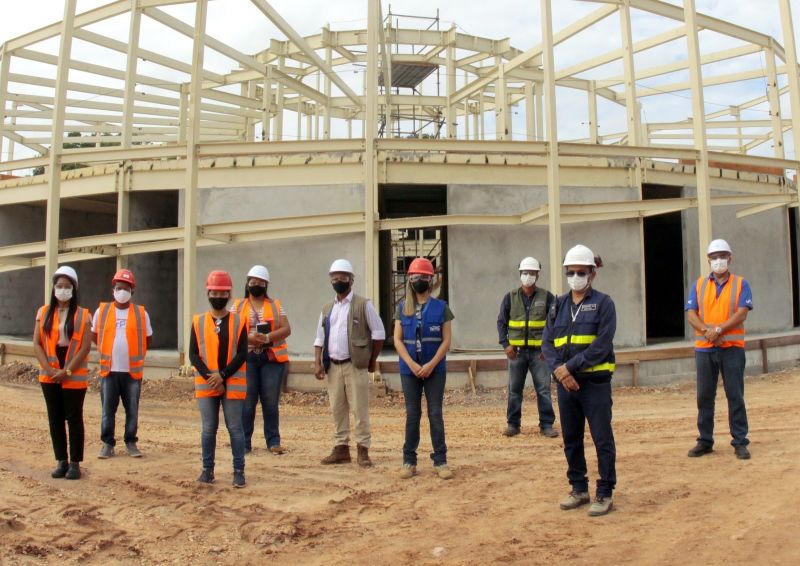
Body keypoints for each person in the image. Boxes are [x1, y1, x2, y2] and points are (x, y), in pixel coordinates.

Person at [542, 245, 617, 517]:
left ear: (592, 274)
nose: (575, 276)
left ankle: (605, 492)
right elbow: (547, 343)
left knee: (601, 438)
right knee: (571, 439)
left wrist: (568, 368)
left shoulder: (604, 304)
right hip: (566, 386)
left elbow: (601, 345)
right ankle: (579, 487)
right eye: (571, 272)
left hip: (594, 384)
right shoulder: (558, 305)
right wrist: (559, 372)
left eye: (581, 272)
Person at [685, 238, 753, 460]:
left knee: (735, 395)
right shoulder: (699, 285)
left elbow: (742, 312)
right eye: (714, 257)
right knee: (704, 396)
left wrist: (719, 330)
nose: (718, 261)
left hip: (731, 348)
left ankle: (740, 441)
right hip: (705, 349)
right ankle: (705, 441)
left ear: (730, 258)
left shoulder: (741, 284)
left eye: (722, 256)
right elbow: (691, 314)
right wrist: (708, 332)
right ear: (708, 260)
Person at [313, 259, 385, 467]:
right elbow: (319, 337)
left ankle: (363, 449)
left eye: (343, 278)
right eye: (334, 278)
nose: (338, 281)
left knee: (359, 409)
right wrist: (318, 362)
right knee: (337, 408)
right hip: (333, 366)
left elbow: (379, 333)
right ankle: (341, 448)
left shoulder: (363, 305)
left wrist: (372, 360)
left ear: (351, 280)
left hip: (355, 365)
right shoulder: (327, 308)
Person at [394, 258, 454, 480]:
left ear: (431, 280)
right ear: (409, 280)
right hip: (409, 371)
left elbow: (446, 341)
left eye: (423, 277)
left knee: (435, 413)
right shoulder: (402, 308)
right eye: (414, 277)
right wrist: (412, 364)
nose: (418, 280)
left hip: (434, 370)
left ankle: (441, 460)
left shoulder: (442, 308)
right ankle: (408, 460)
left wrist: (430, 365)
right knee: (412, 414)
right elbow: (397, 340)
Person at [189, 270, 248, 487]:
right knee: (208, 428)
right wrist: (210, 377)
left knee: (235, 428)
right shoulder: (198, 321)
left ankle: (239, 471)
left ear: (229, 295)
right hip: (207, 383)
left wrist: (222, 375)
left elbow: (242, 353)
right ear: (208, 293)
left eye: (222, 293)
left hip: (232, 382)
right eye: (214, 292)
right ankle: (207, 470)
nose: (218, 296)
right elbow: (193, 354)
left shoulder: (239, 322)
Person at [33, 266, 91, 480]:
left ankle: (75, 463)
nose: (63, 290)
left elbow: (85, 347)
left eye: (67, 287)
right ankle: (61, 461)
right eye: (59, 286)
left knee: (74, 418)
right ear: (53, 288)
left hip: (72, 373)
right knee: (55, 419)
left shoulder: (84, 314)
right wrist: (49, 370)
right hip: (49, 372)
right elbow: (37, 343)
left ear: (74, 289)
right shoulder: (43, 312)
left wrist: (67, 370)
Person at [93, 269, 153, 459]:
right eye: (119, 288)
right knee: (107, 410)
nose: (122, 291)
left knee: (132, 410)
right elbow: (96, 335)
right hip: (109, 370)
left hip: (132, 372)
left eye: (126, 288)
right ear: (113, 290)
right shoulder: (102, 311)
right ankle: (107, 443)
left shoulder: (141, 313)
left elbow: (148, 339)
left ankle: (131, 442)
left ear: (132, 291)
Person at [233, 265, 291, 455]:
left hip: (271, 358)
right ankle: (244, 442)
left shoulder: (275, 305)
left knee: (270, 401)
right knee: (247, 401)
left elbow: (286, 329)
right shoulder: (238, 306)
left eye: (260, 283)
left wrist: (267, 338)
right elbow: (231, 329)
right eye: (253, 282)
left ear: (266, 285)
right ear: (248, 283)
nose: (256, 285)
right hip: (247, 358)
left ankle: (273, 441)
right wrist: (248, 338)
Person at [497, 256, 558, 438]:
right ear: (520, 274)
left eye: (531, 273)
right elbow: (501, 322)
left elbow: (554, 325)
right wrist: (506, 345)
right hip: (517, 354)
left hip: (540, 354)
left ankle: (546, 425)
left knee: (544, 390)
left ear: (537, 275)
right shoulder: (510, 297)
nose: (528, 276)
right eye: (525, 273)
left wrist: (549, 349)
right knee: (514, 390)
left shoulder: (547, 297)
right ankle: (513, 424)